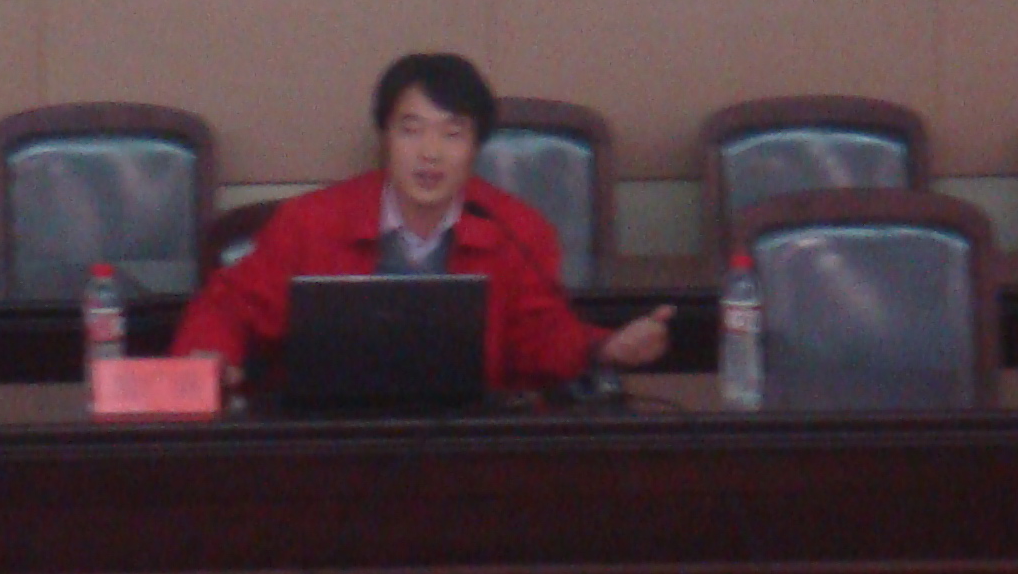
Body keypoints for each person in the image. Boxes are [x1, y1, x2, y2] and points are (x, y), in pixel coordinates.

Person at [170, 52, 672, 394]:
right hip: (331, 443)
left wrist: (604, 347)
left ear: (475, 148)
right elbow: (229, 305)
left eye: (452, 135)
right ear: (385, 138)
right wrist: (208, 357)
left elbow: (541, 339)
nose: (430, 153)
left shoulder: (515, 230)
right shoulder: (310, 222)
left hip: (464, 447)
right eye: (411, 131)